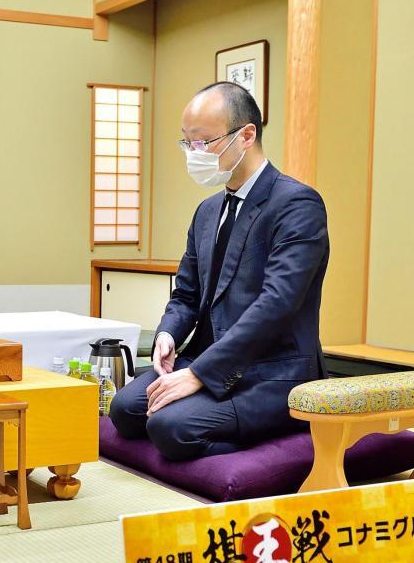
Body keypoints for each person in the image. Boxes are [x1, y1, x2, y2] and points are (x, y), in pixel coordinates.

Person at [109, 81, 329, 461]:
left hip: (269, 371)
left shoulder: (297, 204)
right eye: (187, 143)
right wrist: (167, 334)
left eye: (204, 142)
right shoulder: (208, 210)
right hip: (205, 358)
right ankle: (205, 418)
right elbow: (186, 294)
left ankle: (278, 441)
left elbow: (275, 306)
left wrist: (197, 375)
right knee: (125, 408)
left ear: (246, 135)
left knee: (168, 426)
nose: (194, 153)